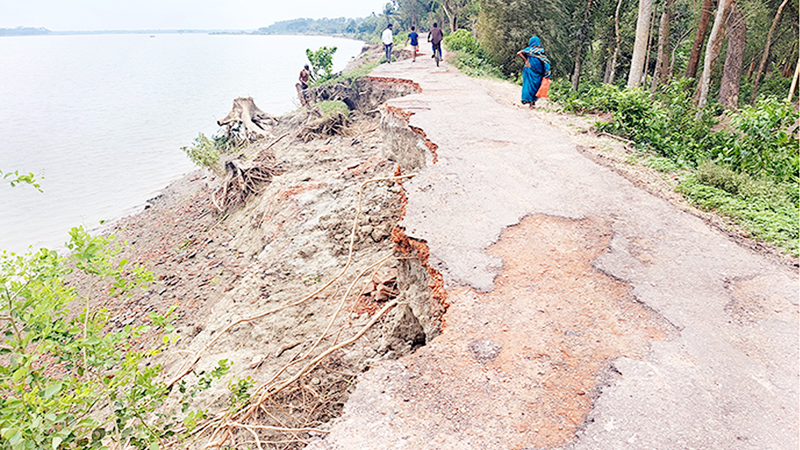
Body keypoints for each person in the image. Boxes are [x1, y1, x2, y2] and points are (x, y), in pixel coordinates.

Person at [516, 36, 551, 109]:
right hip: (534, 71)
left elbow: (519, 53)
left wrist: (526, 61)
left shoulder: (529, 50)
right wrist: (526, 60)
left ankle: (530, 101)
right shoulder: (539, 51)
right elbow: (545, 61)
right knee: (534, 87)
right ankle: (531, 102)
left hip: (532, 71)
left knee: (529, 85)